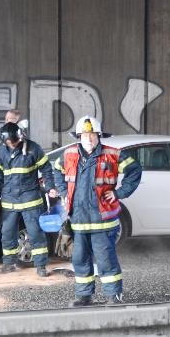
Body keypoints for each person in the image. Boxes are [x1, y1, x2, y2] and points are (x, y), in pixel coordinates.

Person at [53, 116, 142, 306]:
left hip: (103, 220)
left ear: (99, 136)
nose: (89, 138)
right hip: (78, 219)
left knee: (106, 260)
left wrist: (119, 193)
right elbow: (56, 170)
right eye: (85, 135)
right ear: (79, 136)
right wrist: (63, 191)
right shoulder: (69, 154)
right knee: (79, 259)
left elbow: (134, 170)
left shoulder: (112, 154)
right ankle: (84, 296)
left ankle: (113, 296)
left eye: (92, 135)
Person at [0, 122, 58, 277]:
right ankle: (9, 264)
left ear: (20, 137)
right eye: (8, 143)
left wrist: (50, 187)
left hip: (30, 199)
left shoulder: (33, 149)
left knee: (35, 233)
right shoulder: (1, 152)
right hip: (9, 200)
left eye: (14, 141)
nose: (12, 144)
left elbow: (46, 169)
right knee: (7, 233)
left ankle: (41, 266)